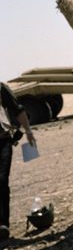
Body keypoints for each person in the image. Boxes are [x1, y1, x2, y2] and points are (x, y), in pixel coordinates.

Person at [0, 81, 36, 241]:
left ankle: (3, 224)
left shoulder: (1, 88)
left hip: (2, 141)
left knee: (1, 180)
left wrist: (28, 131)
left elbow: (17, 109)